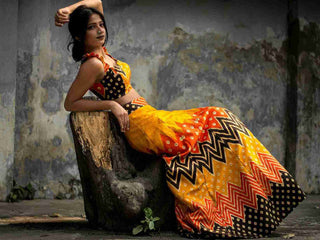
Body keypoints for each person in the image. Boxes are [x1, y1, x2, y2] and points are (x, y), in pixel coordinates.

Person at [55, 0, 305, 238]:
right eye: (91, 27)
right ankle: (264, 197)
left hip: (152, 116)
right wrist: (111, 105)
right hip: (144, 125)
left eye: (100, 25)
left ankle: (266, 193)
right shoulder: (93, 65)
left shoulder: (103, 53)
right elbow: (70, 103)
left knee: (222, 121)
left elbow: (96, 2)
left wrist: (69, 8)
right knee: (219, 118)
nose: (100, 30)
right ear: (79, 36)